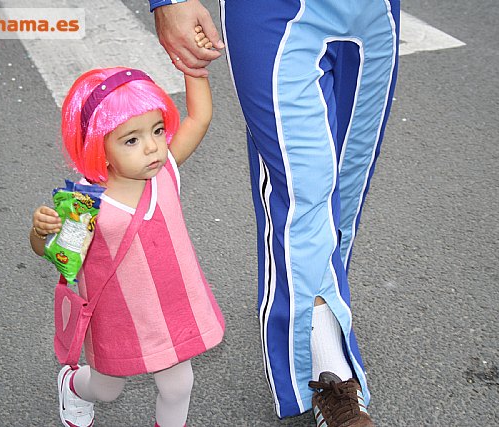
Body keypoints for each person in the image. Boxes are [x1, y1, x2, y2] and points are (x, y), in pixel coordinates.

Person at [151, 1, 400, 426]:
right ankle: (331, 373)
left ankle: (319, 321)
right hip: (271, 10)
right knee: (304, 187)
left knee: (348, 184)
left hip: (373, 11)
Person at [29, 28, 225, 427]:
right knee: (107, 389)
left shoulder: (165, 172)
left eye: (157, 130)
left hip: (173, 307)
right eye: (131, 140)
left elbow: (199, 117)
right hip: (118, 317)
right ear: (98, 148)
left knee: (178, 386)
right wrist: (40, 230)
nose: (152, 146)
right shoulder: (85, 202)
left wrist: (194, 66)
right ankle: (73, 386)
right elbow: (57, 255)